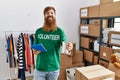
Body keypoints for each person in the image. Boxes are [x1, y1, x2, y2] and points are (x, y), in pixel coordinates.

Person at [33, 6, 73, 80]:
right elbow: (35, 49)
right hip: (40, 68)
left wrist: (69, 47)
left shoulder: (60, 32)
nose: (50, 14)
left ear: (55, 15)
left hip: (54, 69)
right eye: (47, 13)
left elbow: (66, 47)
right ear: (44, 16)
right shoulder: (38, 31)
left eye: (52, 13)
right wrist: (35, 51)